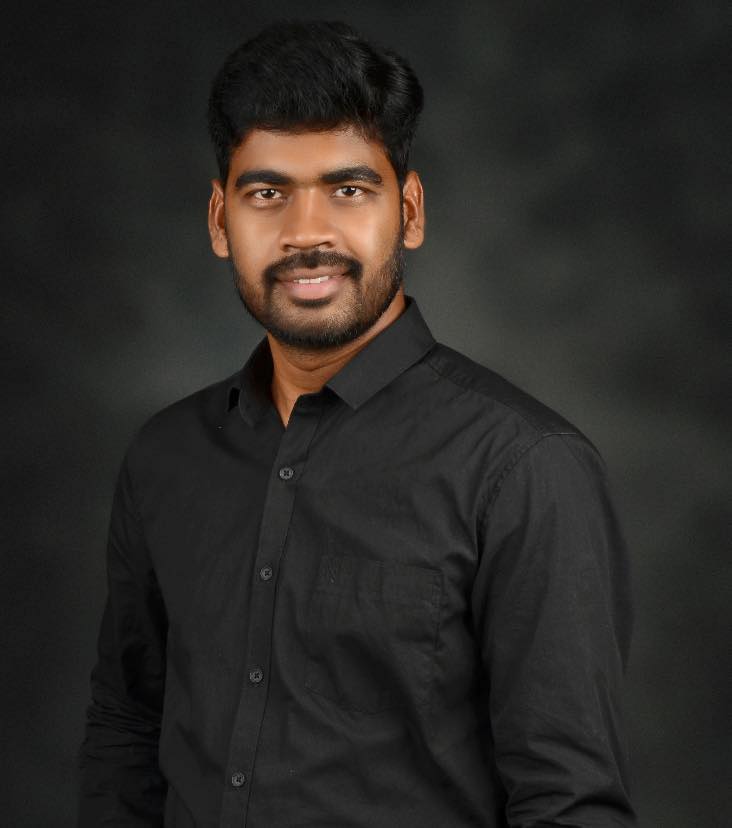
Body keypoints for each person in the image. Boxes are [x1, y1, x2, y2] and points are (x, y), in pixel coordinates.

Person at [78, 20, 636, 828]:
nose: (306, 233)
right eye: (268, 193)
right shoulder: (166, 456)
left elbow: (570, 804)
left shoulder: (524, 468)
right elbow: (128, 730)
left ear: (408, 211)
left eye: (348, 190)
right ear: (219, 220)